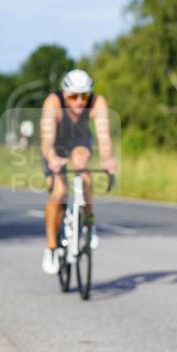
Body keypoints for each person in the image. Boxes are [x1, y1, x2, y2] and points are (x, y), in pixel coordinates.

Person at [39, 69, 118, 274]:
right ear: (64, 94)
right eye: (74, 96)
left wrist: (107, 159)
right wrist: (52, 158)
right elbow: (46, 140)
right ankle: (51, 247)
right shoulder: (52, 103)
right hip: (55, 145)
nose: (80, 102)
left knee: (83, 170)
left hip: (79, 141)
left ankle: (88, 222)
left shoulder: (97, 102)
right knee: (58, 191)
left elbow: (103, 136)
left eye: (85, 96)